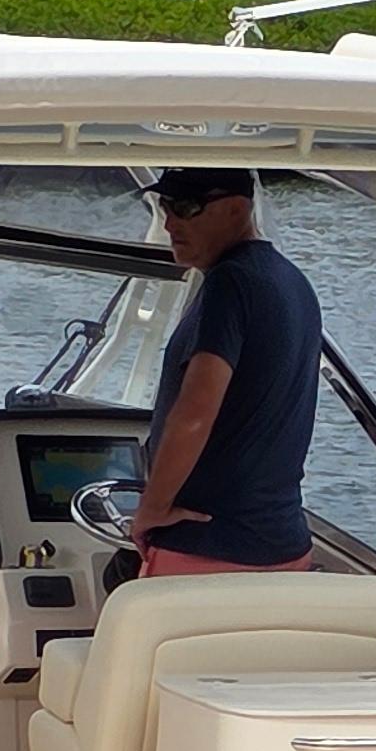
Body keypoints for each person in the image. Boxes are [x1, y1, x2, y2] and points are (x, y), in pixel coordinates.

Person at [132, 167, 321, 577]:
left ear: (237, 208)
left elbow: (195, 413)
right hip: (285, 546)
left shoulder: (229, 284)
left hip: (208, 552)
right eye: (165, 207)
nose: (170, 223)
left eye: (186, 207)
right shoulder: (294, 283)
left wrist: (151, 509)